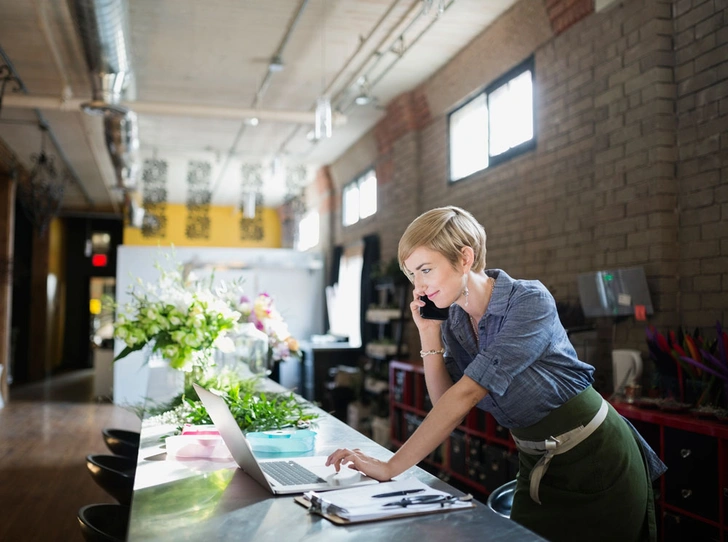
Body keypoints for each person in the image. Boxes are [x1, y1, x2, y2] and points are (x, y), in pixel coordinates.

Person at [327, 206, 665, 542]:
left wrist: (390, 467)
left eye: (426, 269)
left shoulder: (529, 301)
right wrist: (429, 333)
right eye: (412, 274)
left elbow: (467, 394)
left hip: (596, 457)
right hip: (536, 461)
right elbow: (446, 404)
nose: (419, 286)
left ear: (464, 258)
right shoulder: (456, 322)